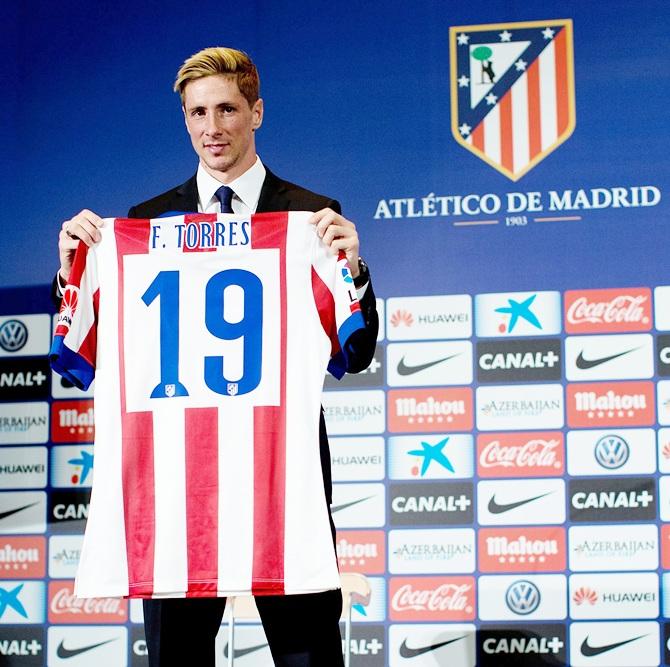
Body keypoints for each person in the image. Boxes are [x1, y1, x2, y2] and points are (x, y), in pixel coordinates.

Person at [53, 47, 378, 667]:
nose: (212, 127)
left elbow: (357, 351)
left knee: (309, 653)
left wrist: (353, 270)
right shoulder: (145, 223)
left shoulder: (310, 215)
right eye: (198, 112)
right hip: (178, 484)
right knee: (177, 658)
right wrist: (70, 267)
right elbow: (84, 342)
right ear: (184, 120)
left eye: (227, 108)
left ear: (256, 112)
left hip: (284, 481)